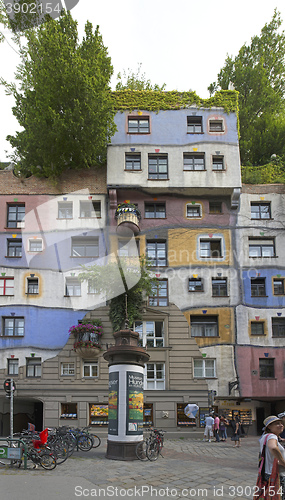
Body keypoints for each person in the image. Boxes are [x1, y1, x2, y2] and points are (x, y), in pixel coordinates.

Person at [259, 415, 285, 500]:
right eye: (277, 424)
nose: (281, 425)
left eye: (281, 423)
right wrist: (282, 461)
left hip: (267, 472)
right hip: (277, 474)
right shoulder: (272, 436)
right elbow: (273, 447)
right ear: (269, 427)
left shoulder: (265, 436)